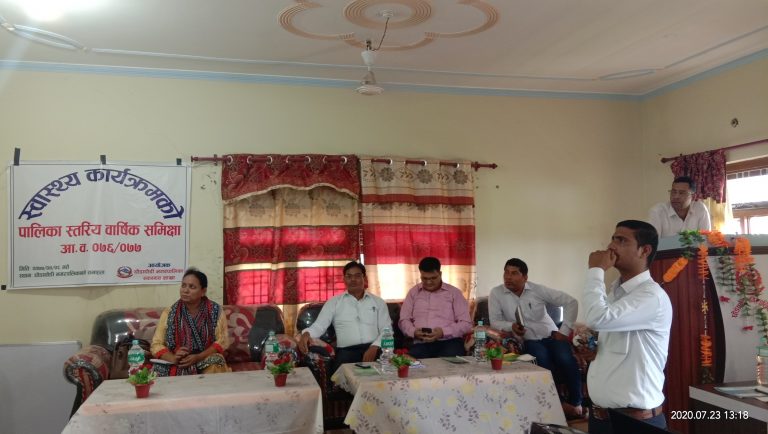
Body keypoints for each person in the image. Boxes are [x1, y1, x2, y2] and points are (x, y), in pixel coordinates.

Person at [584, 220, 673, 433]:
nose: (612, 246)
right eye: (613, 239)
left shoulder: (651, 296)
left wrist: (596, 270)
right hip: (601, 419)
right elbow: (603, 328)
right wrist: (593, 346)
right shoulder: (616, 292)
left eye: (622, 240)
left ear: (644, 250)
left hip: (635, 422)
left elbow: (597, 317)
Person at [489, 258, 583, 418]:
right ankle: (558, 404)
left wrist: (564, 331)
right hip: (529, 340)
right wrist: (511, 326)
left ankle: (576, 403)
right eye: (506, 272)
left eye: (514, 273)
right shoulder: (497, 293)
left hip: (551, 335)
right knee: (542, 359)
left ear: (525, 277)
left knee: (565, 358)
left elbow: (571, 302)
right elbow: (495, 321)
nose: (508, 277)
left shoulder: (537, 290)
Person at [297, 261, 392, 374]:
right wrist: (306, 334)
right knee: (341, 380)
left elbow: (387, 330)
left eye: (357, 276)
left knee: (385, 377)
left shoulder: (378, 302)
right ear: (344, 279)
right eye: (349, 276)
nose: (353, 279)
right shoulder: (334, 302)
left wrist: (375, 346)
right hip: (347, 352)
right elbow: (319, 326)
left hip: (374, 349)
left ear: (365, 278)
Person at [151, 268, 230, 376]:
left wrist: (198, 357)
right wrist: (173, 358)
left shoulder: (216, 311)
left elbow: (222, 341)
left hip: (203, 359)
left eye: (192, 287)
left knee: (217, 360)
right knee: (156, 369)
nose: (185, 290)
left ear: (203, 291)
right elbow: (156, 344)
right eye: (183, 286)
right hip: (178, 362)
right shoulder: (169, 312)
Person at [398, 256, 473, 359]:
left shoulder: (454, 293)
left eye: (433, 278)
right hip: (421, 343)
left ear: (440, 274)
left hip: (449, 342)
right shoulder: (413, 293)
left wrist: (443, 332)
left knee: (450, 364)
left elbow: (466, 324)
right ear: (420, 275)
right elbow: (404, 320)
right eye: (425, 278)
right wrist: (413, 331)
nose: (429, 282)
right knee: (411, 363)